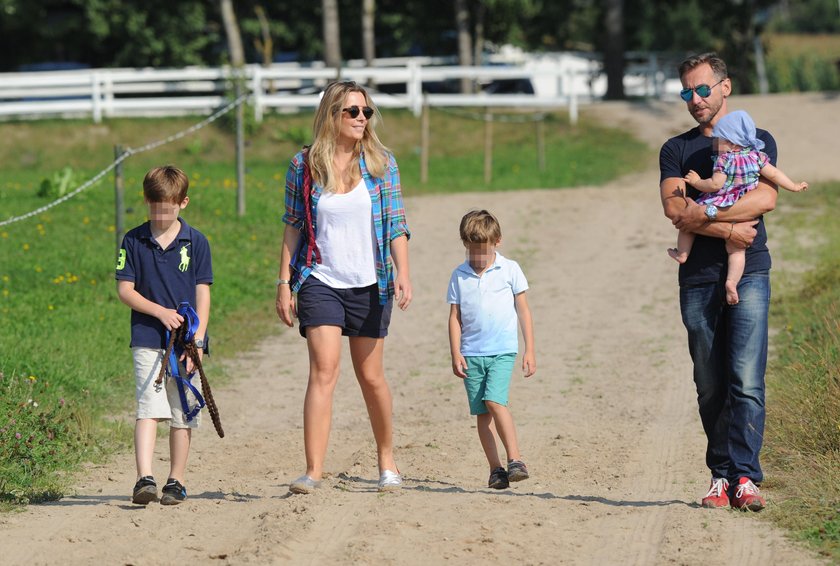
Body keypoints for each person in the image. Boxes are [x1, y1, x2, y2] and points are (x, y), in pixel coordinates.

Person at [275, 80, 412, 495]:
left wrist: (402, 271)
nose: (360, 119)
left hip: (370, 282)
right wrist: (284, 282)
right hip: (320, 280)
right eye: (352, 111)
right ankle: (313, 470)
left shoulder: (382, 164)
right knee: (323, 371)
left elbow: (396, 224)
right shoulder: (304, 166)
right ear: (331, 116)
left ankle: (387, 461)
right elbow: (293, 225)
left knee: (371, 377)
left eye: (365, 112)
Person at [660, 53, 780, 511]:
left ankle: (746, 477)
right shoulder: (676, 149)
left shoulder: (758, 139)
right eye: (686, 92)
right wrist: (730, 227)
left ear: (725, 87)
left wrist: (702, 212)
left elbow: (765, 198)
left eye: (702, 89)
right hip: (696, 277)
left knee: (746, 379)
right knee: (710, 382)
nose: (694, 99)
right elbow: (674, 211)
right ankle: (720, 475)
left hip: (749, 272)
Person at [116, 165, 212, 505]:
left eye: (168, 207)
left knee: (182, 410)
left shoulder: (197, 242)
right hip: (146, 337)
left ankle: (177, 479)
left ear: (183, 203)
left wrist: (197, 339)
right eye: (154, 206)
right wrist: (159, 312)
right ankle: (144, 478)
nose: (160, 214)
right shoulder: (133, 239)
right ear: (146, 200)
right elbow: (125, 290)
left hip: (186, 342)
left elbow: (203, 294)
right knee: (147, 408)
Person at [669, 109, 808, 305]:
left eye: (718, 139)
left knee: (689, 219)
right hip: (744, 209)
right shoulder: (757, 157)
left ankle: (682, 253)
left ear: (731, 141)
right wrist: (793, 186)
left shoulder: (724, 160)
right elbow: (775, 175)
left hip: (722, 201)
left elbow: (715, 185)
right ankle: (732, 283)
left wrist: (697, 181)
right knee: (737, 251)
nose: (714, 143)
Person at [447, 209, 536, 489]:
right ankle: (495, 470)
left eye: (482, 252)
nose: (477, 258)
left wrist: (529, 349)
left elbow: (523, 311)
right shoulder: (459, 275)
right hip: (472, 353)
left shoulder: (510, 269)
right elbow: (455, 317)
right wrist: (455, 352)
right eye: (472, 251)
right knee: (482, 413)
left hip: (502, 350)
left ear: (497, 241)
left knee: (496, 401)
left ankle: (515, 460)